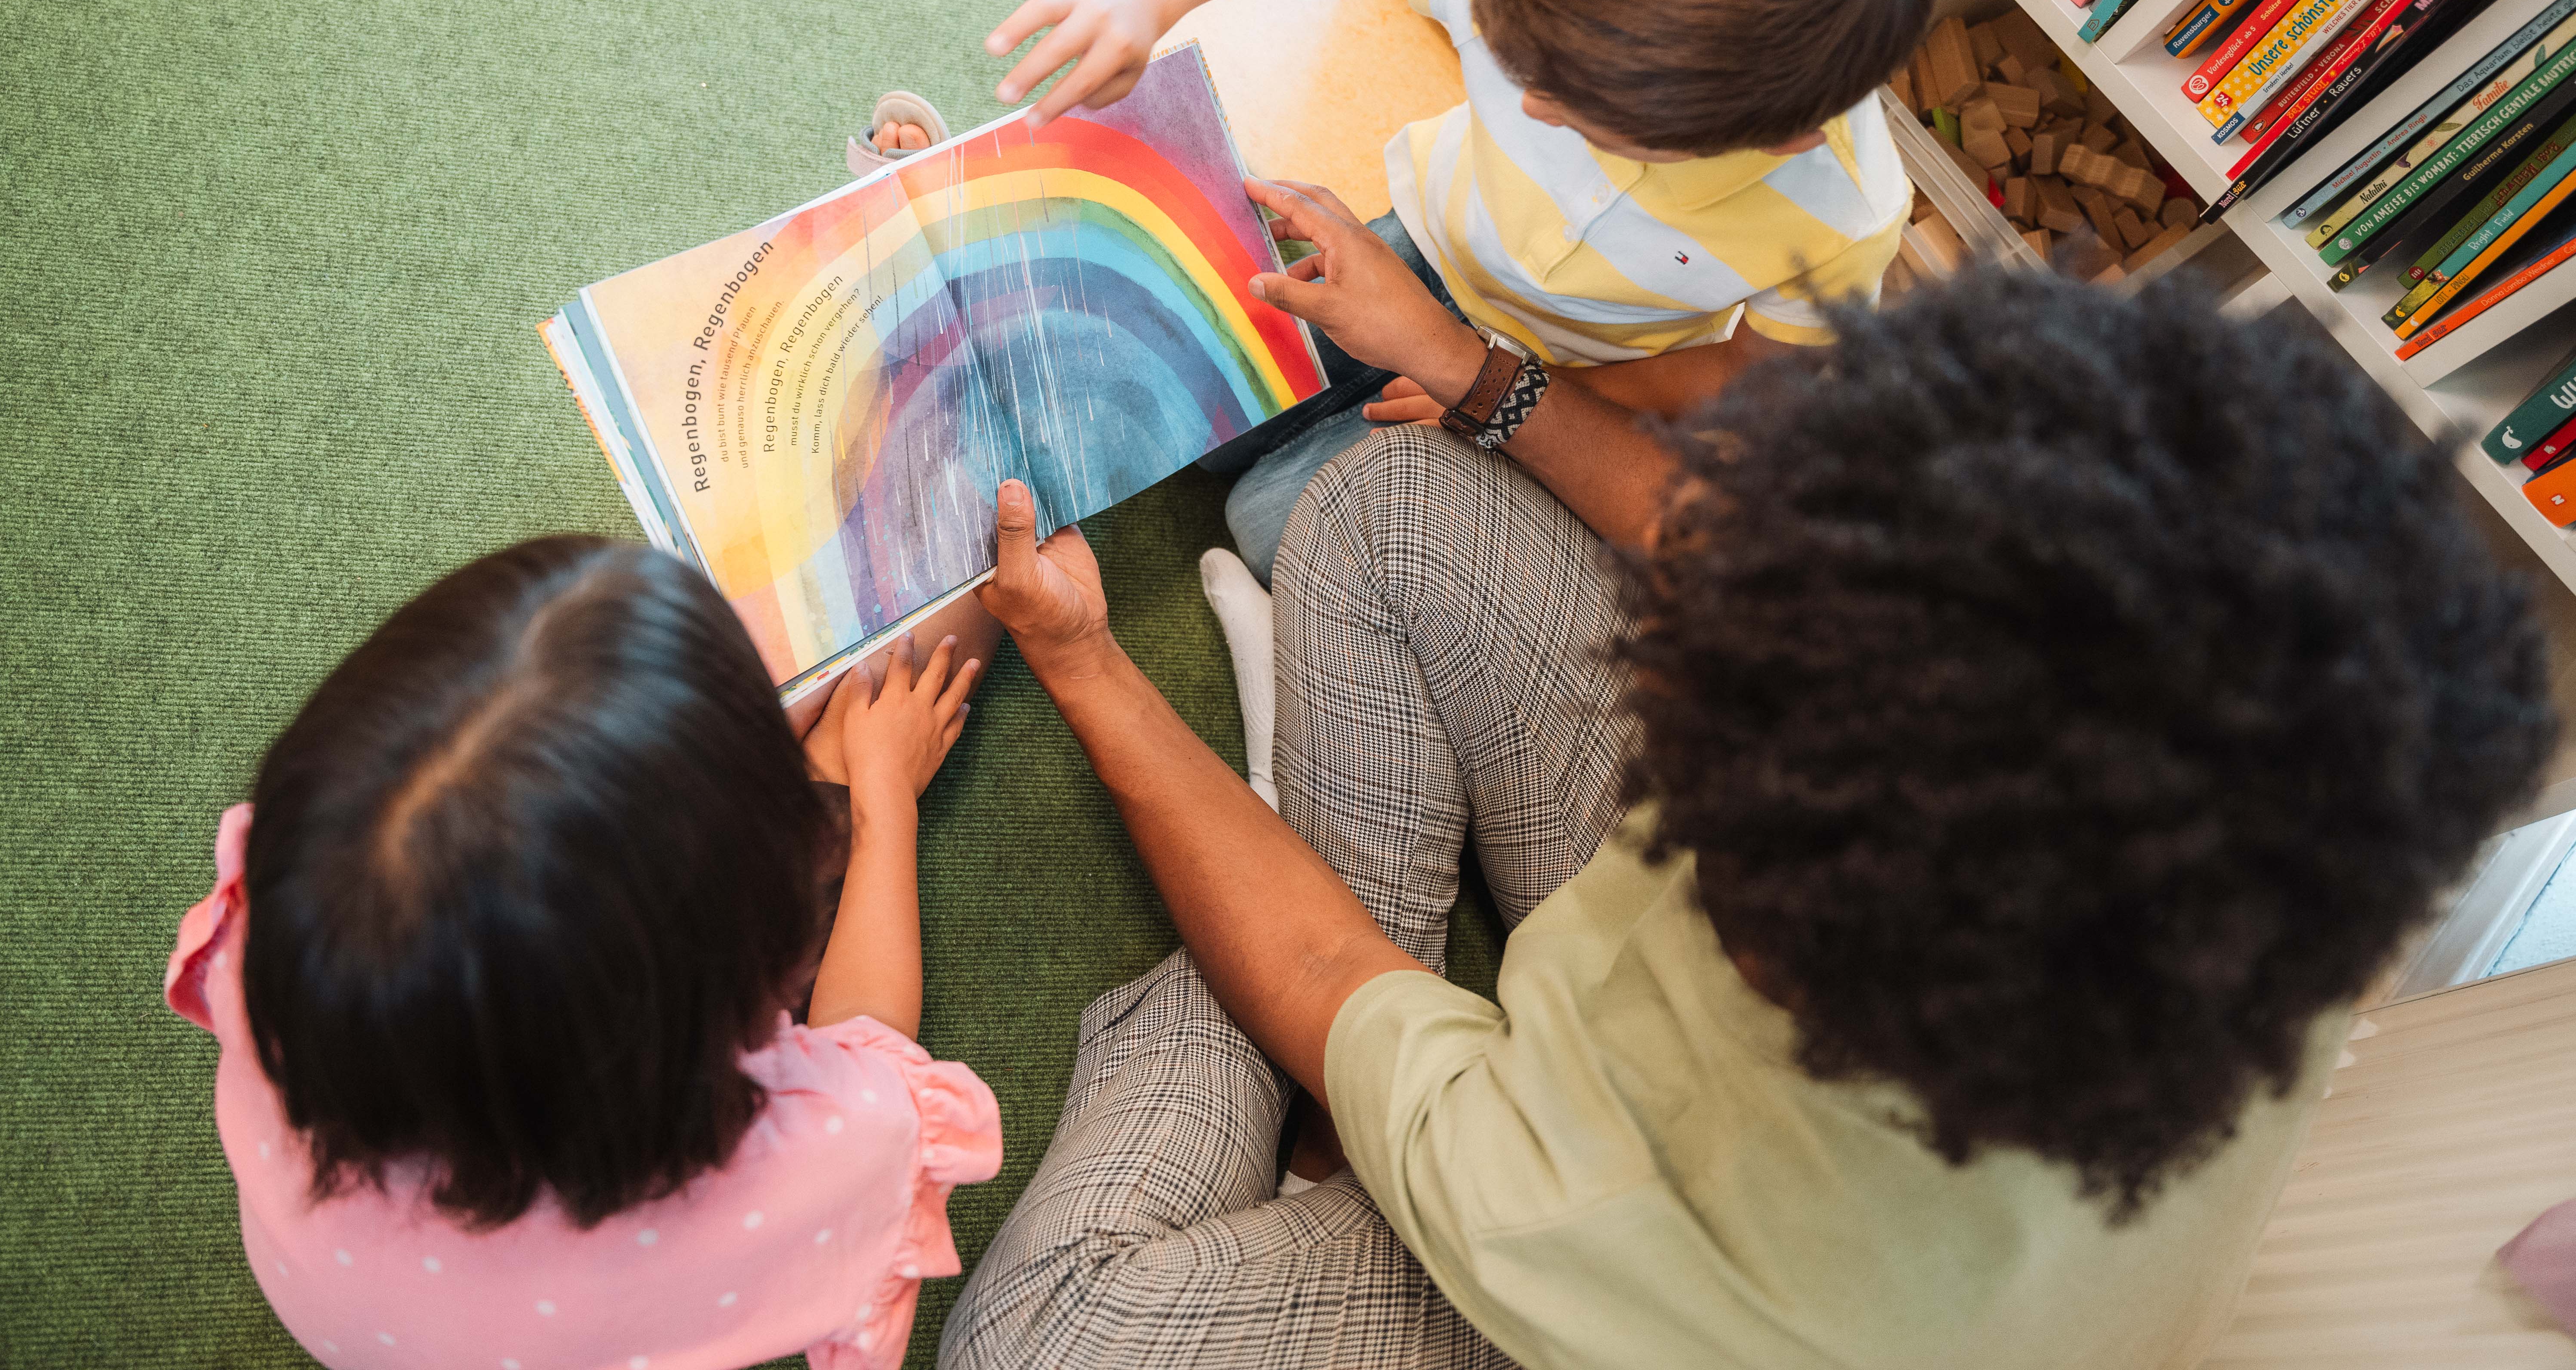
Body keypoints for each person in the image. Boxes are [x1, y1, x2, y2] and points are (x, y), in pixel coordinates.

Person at [939, 260, 2557, 1369]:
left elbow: (1318, 970)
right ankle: (1346, 1049)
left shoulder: (1699, 1252)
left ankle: (1329, 1057)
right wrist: (1489, 378)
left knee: (1046, 1341)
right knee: (1396, 502)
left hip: (1628, 1291)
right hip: (1768, 1089)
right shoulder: (2258, 807)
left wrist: (1091, 670)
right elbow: (1776, 564)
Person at [979, 0, 1939, 580]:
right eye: (1524, 64)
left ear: (1778, 139)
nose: (1533, 107)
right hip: (1420, 247)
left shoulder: (1847, 211)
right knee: (1190, 406)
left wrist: (1503, 390)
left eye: (1586, 115)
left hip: (1567, 369)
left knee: (1274, 524)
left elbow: (1746, 377)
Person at [165, 538, 997, 1370]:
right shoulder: (787, 1171)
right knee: (900, 672)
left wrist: (723, 751)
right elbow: (871, 1045)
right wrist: (885, 798)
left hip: (361, 1316)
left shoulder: (301, 909)